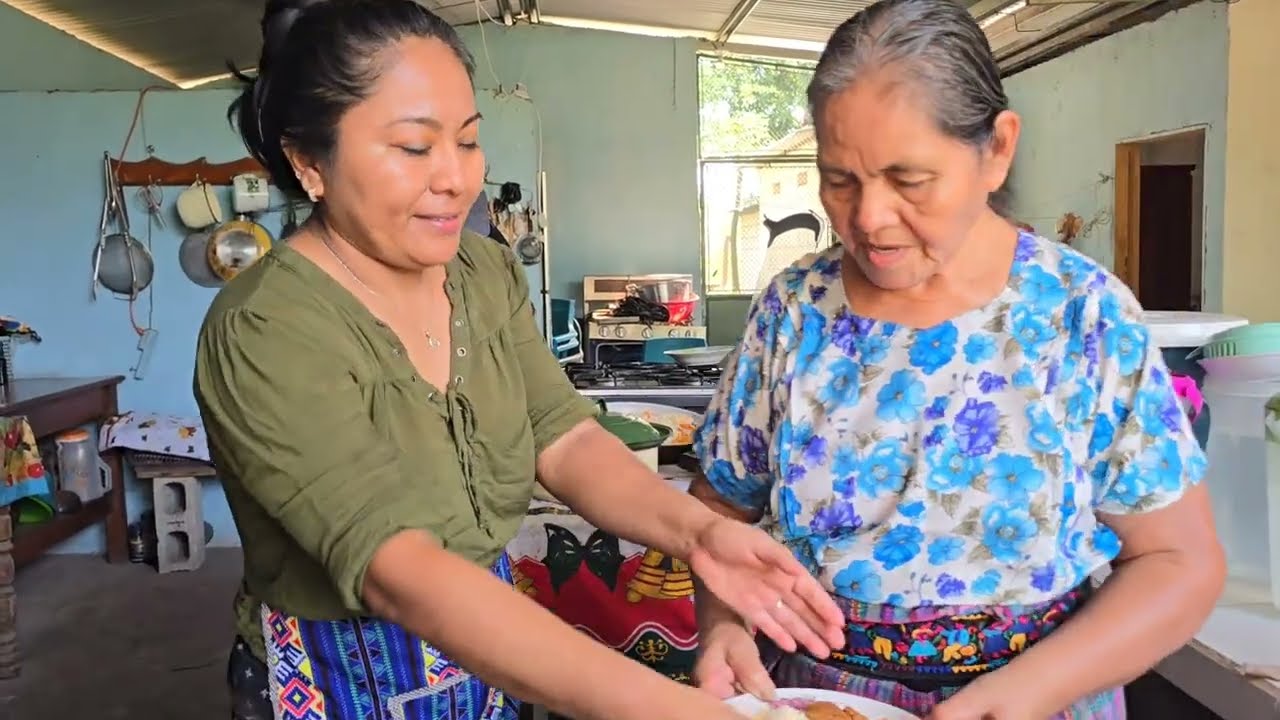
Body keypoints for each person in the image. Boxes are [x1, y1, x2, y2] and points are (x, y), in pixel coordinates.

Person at [193, 2, 846, 719]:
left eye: (468, 142)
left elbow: (560, 435)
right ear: (307, 161)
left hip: (496, 662)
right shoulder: (267, 328)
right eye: (414, 148)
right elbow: (399, 571)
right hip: (338, 682)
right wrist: (671, 709)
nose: (456, 180)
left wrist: (703, 535)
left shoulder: (481, 272)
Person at [688, 1, 1225, 718]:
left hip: (1039, 697)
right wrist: (721, 628)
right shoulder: (793, 313)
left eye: (908, 179)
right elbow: (720, 512)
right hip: (820, 698)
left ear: (996, 148)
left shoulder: (1080, 314)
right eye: (840, 180)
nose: (869, 217)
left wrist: (1024, 694)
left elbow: (1179, 562)